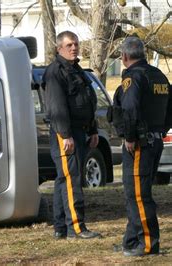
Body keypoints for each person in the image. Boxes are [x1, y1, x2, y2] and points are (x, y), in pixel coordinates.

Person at [112, 36, 171, 256]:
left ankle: (147, 243)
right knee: (135, 193)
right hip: (154, 141)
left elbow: (129, 110)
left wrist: (129, 137)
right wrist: (161, 131)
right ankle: (131, 240)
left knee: (138, 195)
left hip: (138, 144)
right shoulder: (159, 76)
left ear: (125, 56)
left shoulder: (133, 78)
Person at [42, 31, 101, 239]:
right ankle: (77, 228)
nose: (74, 48)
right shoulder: (55, 72)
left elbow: (88, 100)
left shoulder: (77, 70)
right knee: (71, 179)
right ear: (59, 48)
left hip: (80, 130)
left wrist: (93, 129)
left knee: (63, 179)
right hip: (65, 132)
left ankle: (61, 228)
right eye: (69, 45)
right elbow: (57, 107)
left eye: (76, 44)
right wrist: (66, 135)